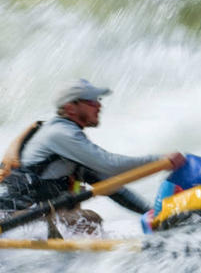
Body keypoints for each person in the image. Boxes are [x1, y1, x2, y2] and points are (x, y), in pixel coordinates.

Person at [0, 79, 185, 223]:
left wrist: (151, 212)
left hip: (30, 215)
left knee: (88, 221)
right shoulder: (60, 133)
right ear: (70, 108)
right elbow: (110, 165)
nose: (99, 105)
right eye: (91, 101)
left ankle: (76, 271)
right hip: (8, 213)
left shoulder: (70, 145)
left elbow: (111, 186)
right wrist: (161, 160)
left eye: (97, 100)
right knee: (85, 221)